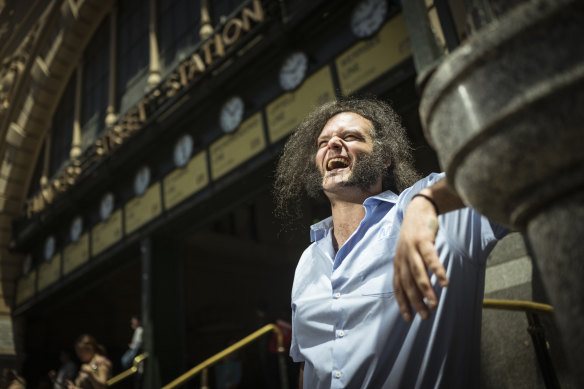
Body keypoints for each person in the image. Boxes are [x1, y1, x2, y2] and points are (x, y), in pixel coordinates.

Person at [273, 97, 507, 388]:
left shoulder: (431, 214)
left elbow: (505, 164)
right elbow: (308, 365)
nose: (333, 144)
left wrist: (428, 202)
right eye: (323, 142)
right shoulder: (307, 261)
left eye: (350, 137)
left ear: (384, 158)